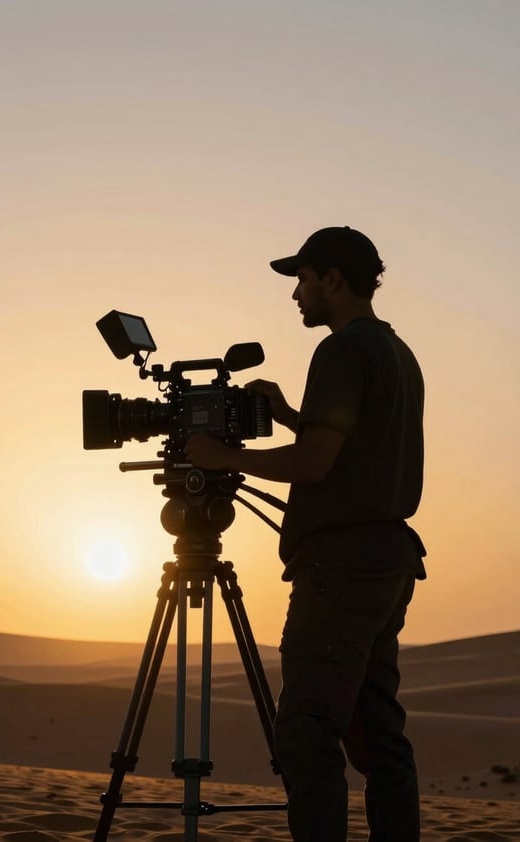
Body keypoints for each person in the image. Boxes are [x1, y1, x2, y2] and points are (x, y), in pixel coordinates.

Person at [185, 226, 426, 842]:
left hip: (342, 569)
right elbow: (352, 449)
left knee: (307, 732)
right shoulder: (395, 351)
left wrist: (221, 459)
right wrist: (293, 416)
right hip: (386, 560)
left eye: (303, 280)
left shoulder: (341, 350)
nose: (296, 294)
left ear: (333, 280)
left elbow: (314, 464)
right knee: (379, 735)